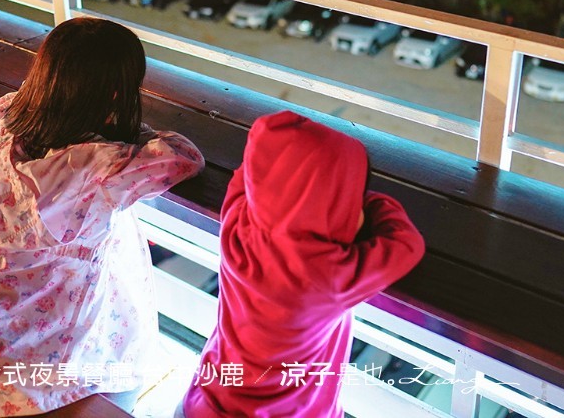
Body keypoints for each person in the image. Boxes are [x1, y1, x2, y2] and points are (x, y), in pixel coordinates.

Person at [0, 18, 205, 417]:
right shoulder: (96, 168)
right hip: (41, 329)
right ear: (115, 93)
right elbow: (182, 158)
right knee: (108, 373)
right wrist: (133, 132)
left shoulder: (5, 120)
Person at [180, 110, 426, 418]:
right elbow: (406, 244)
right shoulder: (328, 276)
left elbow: (251, 171)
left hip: (205, 404)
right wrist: (369, 200)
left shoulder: (237, 226)